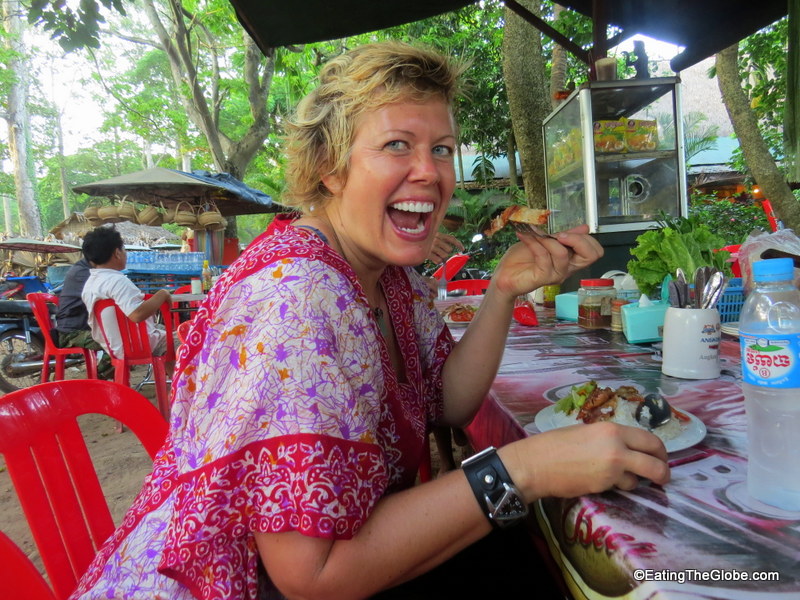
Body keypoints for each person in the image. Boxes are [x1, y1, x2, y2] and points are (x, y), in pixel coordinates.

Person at [71, 41, 669, 600]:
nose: (430, 172)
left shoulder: (389, 277)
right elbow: (310, 575)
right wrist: (523, 467)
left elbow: (447, 404)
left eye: (441, 148)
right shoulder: (296, 302)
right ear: (331, 167)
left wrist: (503, 292)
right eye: (396, 145)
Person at [80, 226, 172, 360]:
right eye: (123, 249)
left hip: (114, 347)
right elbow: (137, 314)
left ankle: (171, 378)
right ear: (117, 253)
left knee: (164, 332)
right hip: (138, 345)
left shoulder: (90, 284)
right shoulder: (117, 281)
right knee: (190, 340)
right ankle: (184, 380)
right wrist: (162, 294)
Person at [53, 254, 114, 378]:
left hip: (80, 327)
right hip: (72, 333)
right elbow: (110, 296)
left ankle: (101, 376)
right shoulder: (84, 274)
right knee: (118, 342)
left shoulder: (86, 269)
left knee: (121, 339)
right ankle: (98, 378)